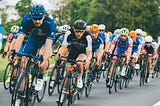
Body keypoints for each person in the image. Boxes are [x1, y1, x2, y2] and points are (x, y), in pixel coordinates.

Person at [10, 4, 56, 105]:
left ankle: (40, 76)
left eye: (39, 18)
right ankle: (20, 95)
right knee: (23, 64)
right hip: (33, 41)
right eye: (35, 19)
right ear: (31, 16)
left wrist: (44, 59)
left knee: (41, 58)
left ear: (43, 16)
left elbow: (48, 45)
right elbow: (20, 37)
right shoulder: (26, 20)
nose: (37, 21)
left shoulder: (50, 23)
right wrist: (15, 52)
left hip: (45, 43)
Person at [55, 19, 92, 89]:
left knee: (79, 62)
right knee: (67, 74)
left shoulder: (88, 36)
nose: (79, 34)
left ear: (84, 31)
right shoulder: (69, 33)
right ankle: (65, 93)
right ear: (74, 29)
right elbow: (63, 46)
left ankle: (79, 77)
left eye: (81, 32)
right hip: (72, 52)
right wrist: (59, 54)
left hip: (83, 53)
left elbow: (89, 53)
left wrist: (88, 60)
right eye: (77, 31)